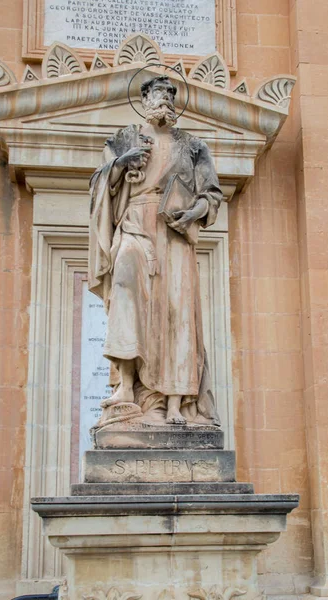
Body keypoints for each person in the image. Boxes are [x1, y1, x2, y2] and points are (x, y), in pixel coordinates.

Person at [88, 75, 222, 427]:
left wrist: (196, 211)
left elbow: (212, 193)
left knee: (178, 311)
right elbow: (99, 184)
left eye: (171, 96)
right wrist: (120, 163)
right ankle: (126, 388)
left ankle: (176, 402)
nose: (167, 100)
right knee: (125, 286)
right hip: (134, 226)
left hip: (174, 232)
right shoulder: (123, 139)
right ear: (145, 99)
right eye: (160, 94)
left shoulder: (193, 146)